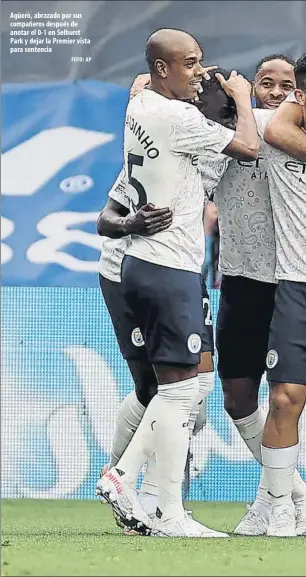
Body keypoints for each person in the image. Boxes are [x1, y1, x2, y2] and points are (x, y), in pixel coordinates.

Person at [96, 27, 259, 538]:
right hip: (165, 267)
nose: (202, 77)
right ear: (164, 70)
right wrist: (242, 98)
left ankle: (163, 505)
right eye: (193, 66)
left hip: (157, 267)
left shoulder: (145, 109)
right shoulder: (181, 120)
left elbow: (146, 88)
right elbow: (251, 147)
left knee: (186, 388)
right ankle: (125, 479)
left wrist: (207, 98)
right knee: (176, 391)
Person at [212, 54, 306, 536]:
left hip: (288, 279)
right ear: (253, 86)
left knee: (285, 397)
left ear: (297, 91)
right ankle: (290, 493)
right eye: (265, 82)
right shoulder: (230, 134)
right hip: (244, 277)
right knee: (237, 396)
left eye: (284, 84)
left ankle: (278, 500)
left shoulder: (284, 126)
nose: (274, 90)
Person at [255, 53, 306, 537]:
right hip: (296, 284)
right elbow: (272, 130)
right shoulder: (274, 130)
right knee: (285, 399)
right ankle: (280, 505)